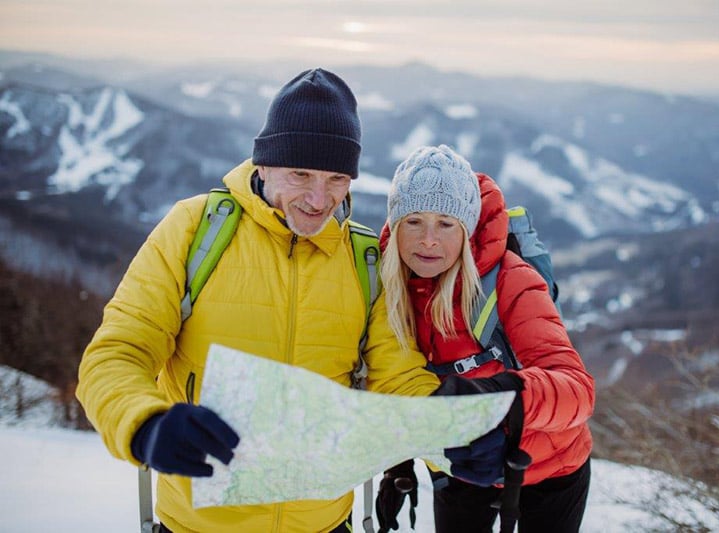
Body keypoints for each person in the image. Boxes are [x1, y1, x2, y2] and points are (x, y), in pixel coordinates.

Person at [75, 68, 445, 533]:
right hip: (198, 524)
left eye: (337, 178)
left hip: (325, 524)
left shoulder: (365, 258)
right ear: (263, 165)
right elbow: (116, 353)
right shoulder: (195, 231)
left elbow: (399, 380)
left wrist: (456, 438)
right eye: (300, 173)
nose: (318, 197)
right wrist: (145, 423)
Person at [375, 145, 595, 533]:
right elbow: (396, 377)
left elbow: (577, 390)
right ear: (395, 225)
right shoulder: (387, 285)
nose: (428, 240)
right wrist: (399, 457)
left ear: (468, 228)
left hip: (549, 466)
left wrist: (503, 397)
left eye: (446, 223)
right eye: (414, 222)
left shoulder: (510, 279)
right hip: (462, 464)